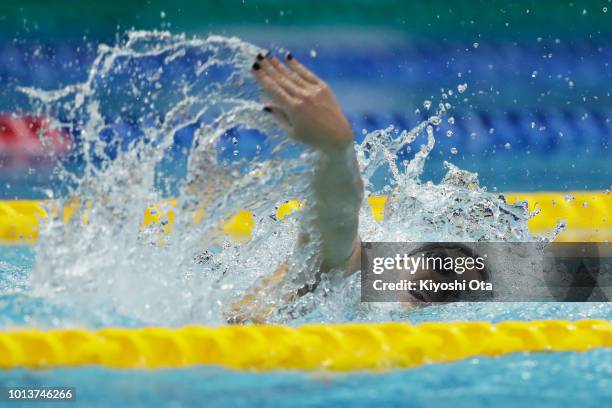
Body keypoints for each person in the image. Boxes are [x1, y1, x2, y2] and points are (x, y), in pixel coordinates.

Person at [227, 52, 488, 323]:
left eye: (455, 293)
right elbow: (336, 220)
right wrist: (337, 149)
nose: (439, 287)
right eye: (439, 266)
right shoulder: (359, 271)